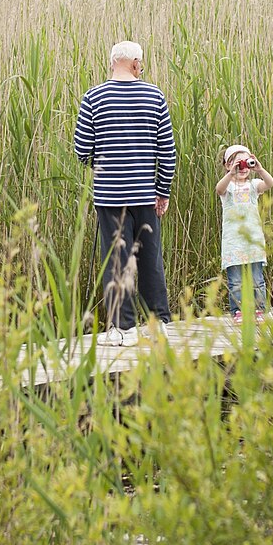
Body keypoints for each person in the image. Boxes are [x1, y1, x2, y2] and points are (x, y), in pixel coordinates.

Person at [73, 40, 177, 343]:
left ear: (112, 63)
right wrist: (162, 190)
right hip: (145, 195)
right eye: (141, 64)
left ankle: (124, 328)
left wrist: (104, 156)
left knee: (117, 260)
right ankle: (160, 322)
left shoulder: (93, 97)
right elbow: (167, 151)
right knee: (150, 260)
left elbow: (82, 150)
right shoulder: (154, 96)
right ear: (135, 63)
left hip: (110, 198)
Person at [215, 143, 273, 319]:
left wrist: (259, 169)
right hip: (233, 241)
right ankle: (238, 311)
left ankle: (259, 309)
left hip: (253, 239)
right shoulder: (228, 188)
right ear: (227, 165)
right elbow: (219, 189)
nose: (242, 167)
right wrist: (231, 174)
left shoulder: (254, 185)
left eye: (245, 162)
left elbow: (270, 183)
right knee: (236, 281)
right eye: (236, 163)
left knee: (257, 279)